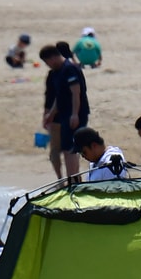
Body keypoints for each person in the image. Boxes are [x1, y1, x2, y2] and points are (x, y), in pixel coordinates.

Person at [42, 43, 90, 179]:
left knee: (70, 148)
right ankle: (73, 180)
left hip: (75, 114)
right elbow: (59, 97)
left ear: (53, 58)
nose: (48, 66)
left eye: (47, 63)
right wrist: (50, 115)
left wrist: (75, 114)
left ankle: (72, 180)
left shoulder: (70, 69)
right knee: (67, 148)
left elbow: (76, 92)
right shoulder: (57, 72)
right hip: (64, 114)